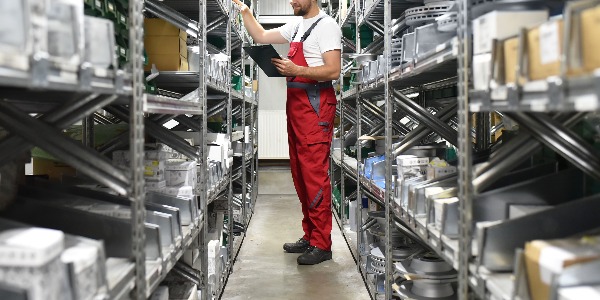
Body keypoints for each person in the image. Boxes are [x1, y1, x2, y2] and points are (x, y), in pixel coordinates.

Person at [233, 0, 341, 265]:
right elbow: (259, 35)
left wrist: (296, 69)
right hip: (295, 105)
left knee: (314, 176)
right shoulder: (296, 25)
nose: (292, 1)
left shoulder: (327, 26)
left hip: (315, 105)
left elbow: (333, 70)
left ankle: (322, 244)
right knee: (300, 175)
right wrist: (246, 12)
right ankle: (310, 234)